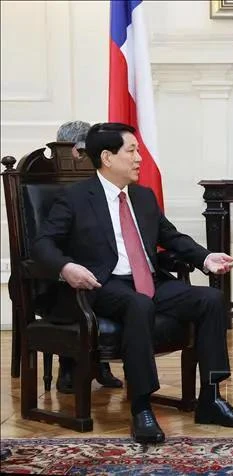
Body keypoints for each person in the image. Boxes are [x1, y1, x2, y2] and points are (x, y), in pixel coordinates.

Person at [32, 122, 233, 443]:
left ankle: (211, 399)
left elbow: (171, 237)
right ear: (107, 157)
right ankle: (141, 408)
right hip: (103, 284)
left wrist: (205, 258)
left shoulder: (143, 196)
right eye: (132, 151)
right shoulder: (76, 198)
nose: (139, 158)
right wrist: (67, 266)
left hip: (149, 279)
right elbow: (43, 244)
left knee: (209, 299)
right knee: (138, 303)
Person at [53, 120, 123, 394]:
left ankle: (102, 363)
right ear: (70, 151)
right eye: (81, 151)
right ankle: (68, 366)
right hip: (60, 268)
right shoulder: (56, 184)